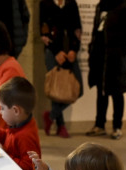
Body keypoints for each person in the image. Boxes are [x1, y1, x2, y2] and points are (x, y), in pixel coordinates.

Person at [85, 0, 126, 141]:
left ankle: (117, 126)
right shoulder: (101, 6)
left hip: (116, 59)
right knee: (101, 92)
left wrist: (121, 50)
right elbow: (96, 30)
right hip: (100, 57)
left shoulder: (124, 7)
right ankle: (99, 124)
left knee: (117, 92)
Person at [39, 0, 83, 139]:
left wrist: (74, 50)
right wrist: (56, 51)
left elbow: (77, 29)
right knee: (55, 88)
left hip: (69, 52)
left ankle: (51, 116)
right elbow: (44, 31)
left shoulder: (71, 3)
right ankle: (61, 126)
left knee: (79, 89)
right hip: (52, 52)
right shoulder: (45, 3)